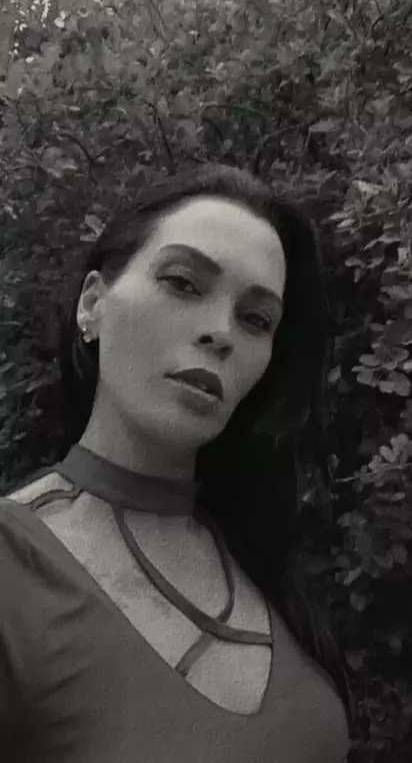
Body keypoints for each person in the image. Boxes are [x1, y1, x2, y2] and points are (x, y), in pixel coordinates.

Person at [0, 162, 353, 762]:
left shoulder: (257, 554)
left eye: (256, 319)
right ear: (93, 304)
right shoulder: (15, 564)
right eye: (184, 283)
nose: (221, 332)